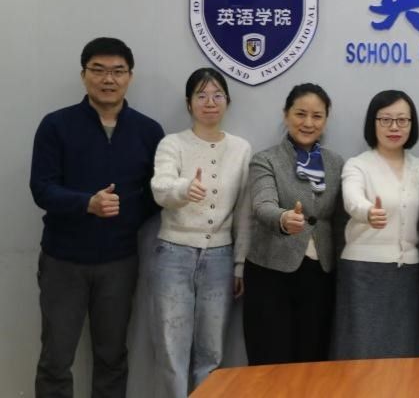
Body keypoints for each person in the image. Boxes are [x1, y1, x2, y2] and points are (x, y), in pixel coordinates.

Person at [29, 37, 164, 398]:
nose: (108, 79)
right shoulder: (56, 125)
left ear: (130, 76)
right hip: (63, 261)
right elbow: (41, 188)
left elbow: (158, 192)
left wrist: (125, 212)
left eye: (118, 71)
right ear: (83, 74)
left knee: (112, 357)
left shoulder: (148, 131)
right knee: (56, 359)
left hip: (119, 262)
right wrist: (86, 203)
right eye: (99, 70)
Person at [149, 68, 251, 397]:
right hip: (174, 254)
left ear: (227, 102)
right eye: (201, 95)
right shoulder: (172, 143)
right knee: (172, 349)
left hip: (221, 257)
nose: (210, 102)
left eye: (218, 95)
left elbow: (244, 212)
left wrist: (239, 264)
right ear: (188, 103)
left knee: (212, 351)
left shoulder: (240, 149)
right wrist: (183, 189)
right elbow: (160, 188)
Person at [243, 83, 344, 365]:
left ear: (325, 120)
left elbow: (340, 220)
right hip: (271, 272)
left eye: (317, 116)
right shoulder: (265, 160)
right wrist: (284, 219)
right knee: (270, 359)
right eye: (300, 114)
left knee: (312, 358)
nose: (308, 123)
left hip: (321, 275)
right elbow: (262, 205)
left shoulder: (336, 163)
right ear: (286, 114)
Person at [332, 90, 419, 359]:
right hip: (363, 270)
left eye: (402, 120)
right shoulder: (358, 165)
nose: (394, 127)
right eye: (385, 119)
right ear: (373, 123)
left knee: (404, 352)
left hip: (407, 271)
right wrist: (368, 212)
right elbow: (352, 200)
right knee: (362, 351)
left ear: (411, 124)